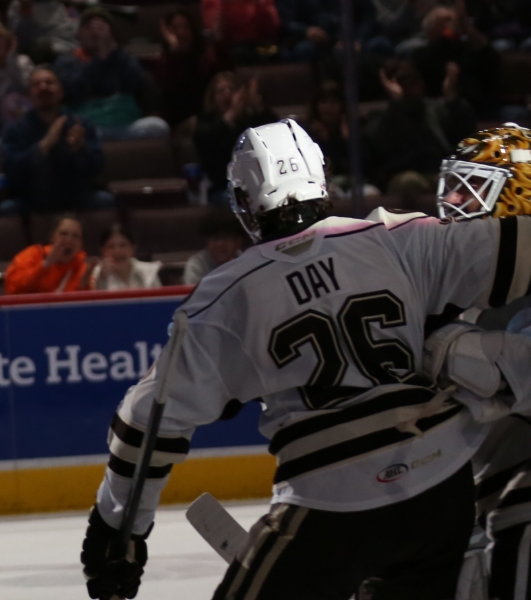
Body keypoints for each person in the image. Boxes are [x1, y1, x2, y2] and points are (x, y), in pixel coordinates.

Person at [80, 118, 531, 599]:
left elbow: (146, 424)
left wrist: (116, 531)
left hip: (333, 496)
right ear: (321, 177)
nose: (457, 203)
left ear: (245, 203)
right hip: (443, 486)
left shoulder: (224, 298)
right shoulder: (401, 236)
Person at [433, 124, 531, 600]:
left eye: (471, 188)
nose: (452, 201)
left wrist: (444, 348)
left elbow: (510, 377)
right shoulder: (476, 284)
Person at [0, 67, 111, 214]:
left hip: (75, 197)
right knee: (7, 209)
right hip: (32, 199)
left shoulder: (80, 124)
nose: (43, 87)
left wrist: (81, 149)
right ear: (30, 96)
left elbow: (98, 167)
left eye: (49, 83)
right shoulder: (15, 129)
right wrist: (42, 147)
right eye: (37, 84)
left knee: (104, 201)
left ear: (61, 92)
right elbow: (11, 171)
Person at [53, 9, 170, 141]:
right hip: (91, 127)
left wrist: (114, 53)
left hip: (126, 126)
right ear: (78, 34)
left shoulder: (123, 58)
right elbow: (74, 92)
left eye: (101, 26)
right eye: (88, 26)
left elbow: (137, 83)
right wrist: (100, 59)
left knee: (159, 127)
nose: (95, 31)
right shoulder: (67, 61)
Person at [367, 58, 474, 199]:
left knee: (457, 181)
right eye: (404, 83)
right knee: (410, 182)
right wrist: (398, 105)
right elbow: (380, 147)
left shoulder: (436, 109)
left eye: (414, 82)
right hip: (402, 175)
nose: (410, 87)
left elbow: (464, 133)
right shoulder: (385, 115)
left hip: (438, 171)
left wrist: (452, 98)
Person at [193, 72, 278, 206]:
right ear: (213, 97)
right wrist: (231, 115)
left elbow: (274, 133)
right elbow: (209, 150)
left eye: (231, 89)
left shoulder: (251, 120)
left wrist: (258, 108)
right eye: (221, 91)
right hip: (223, 187)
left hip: (259, 184)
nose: (227, 93)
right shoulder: (205, 123)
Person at [152, 7, 223, 126]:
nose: (181, 32)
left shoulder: (202, 60)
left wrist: (219, 41)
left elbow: (223, 75)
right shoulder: (163, 63)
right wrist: (174, 52)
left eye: (186, 27)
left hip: (206, 120)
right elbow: (171, 97)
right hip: (179, 124)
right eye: (176, 28)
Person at [3, 214, 88, 294]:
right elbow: (13, 289)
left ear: (81, 244)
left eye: (75, 236)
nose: (69, 240)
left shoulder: (83, 270)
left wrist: (86, 286)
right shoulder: (32, 255)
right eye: (63, 234)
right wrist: (45, 265)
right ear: (52, 237)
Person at [182, 207, 250, 286]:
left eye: (226, 237)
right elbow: (196, 296)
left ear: (238, 241)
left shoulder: (246, 263)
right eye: (215, 238)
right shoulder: (196, 265)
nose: (220, 244)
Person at [202, 0, 282, 64]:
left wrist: (260, 5)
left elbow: (271, 31)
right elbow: (214, 33)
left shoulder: (264, 2)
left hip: (258, 46)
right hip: (228, 47)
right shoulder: (213, 2)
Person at [86, 224, 160, 290]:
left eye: (123, 245)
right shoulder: (97, 273)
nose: (117, 251)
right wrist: (102, 279)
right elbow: (97, 302)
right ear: (103, 251)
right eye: (111, 246)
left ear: (132, 248)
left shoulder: (149, 271)